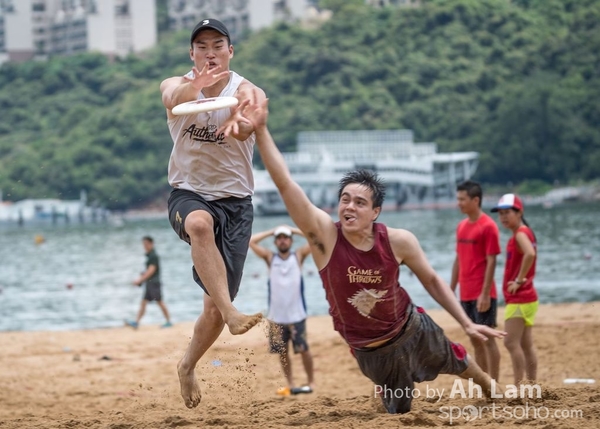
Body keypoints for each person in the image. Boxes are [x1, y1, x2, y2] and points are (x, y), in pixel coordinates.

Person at [230, 94, 506, 414]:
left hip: (410, 325)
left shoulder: (399, 241)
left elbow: (431, 279)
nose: (349, 206)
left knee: (455, 357)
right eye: (345, 199)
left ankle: (487, 383)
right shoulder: (326, 238)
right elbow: (286, 184)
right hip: (368, 349)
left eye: (359, 203)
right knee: (399, 408)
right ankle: (386, 391)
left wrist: (468, 323)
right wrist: (262, 131)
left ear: (375, 211)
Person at [159, 18, 264, 409]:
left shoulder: (247, 89)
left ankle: (187, 365)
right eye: (201, 46)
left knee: (211, 311)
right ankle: (233, 312)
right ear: (192, 53)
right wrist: (196, 86)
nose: (210, 52)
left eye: (217, 45)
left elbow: (249, 120)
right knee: (199, 223)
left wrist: (239, 124)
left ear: (230, 51)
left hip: (236, 203)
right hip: (188, 193)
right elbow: (172, 97)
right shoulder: (177, 85)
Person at [249, 225, 315, 395]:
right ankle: (291, 383)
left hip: (297, 315)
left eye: (286, 237)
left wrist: (294, 230)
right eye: (279, 238)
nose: (283, 240)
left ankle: (311, 382)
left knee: (304, 350)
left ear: (291, 240)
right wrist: (271, 230)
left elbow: (314, 239)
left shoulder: (298, 256)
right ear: (275, 241)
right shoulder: (270, 258)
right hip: (276, 317)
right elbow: (251, 242)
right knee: (283, 352)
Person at [450, 180, 502, 381]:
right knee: (475, 340)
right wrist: (450, 288)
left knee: (488, 339)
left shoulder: (488, 226)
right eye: (458, 199)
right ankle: (485, 384)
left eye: (462, 199)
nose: (459, 203)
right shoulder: (461, 226)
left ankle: (495, 384)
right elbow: (458, 258)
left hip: (483, 293)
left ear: (475, 200)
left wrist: (485, 293)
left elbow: (492, 261)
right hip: (465, 292)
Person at [491, 193, 538, 385]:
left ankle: (520, 385)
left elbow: (530, 253)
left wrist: (519, 280)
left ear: (519, 212)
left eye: (507, 212)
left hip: (520, 297)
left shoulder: (520, 234)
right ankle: (532, 384)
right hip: (528, 297)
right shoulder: (524, 232)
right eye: (500, 213)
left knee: (510, 342)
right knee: (526, 345)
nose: (503, 217)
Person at [126, 236, 172, 329]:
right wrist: (142, 277)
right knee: (143, 302)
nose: (145, 246)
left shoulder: (153, 256)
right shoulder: (150, 255)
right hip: (150, 283)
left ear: (151, 244)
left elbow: (151, 270)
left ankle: (168, 321)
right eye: (144, 244)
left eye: (146, 244)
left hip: (154, 283)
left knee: (159, 302)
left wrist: (140, 280)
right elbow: (148, 270)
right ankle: (136, 322)